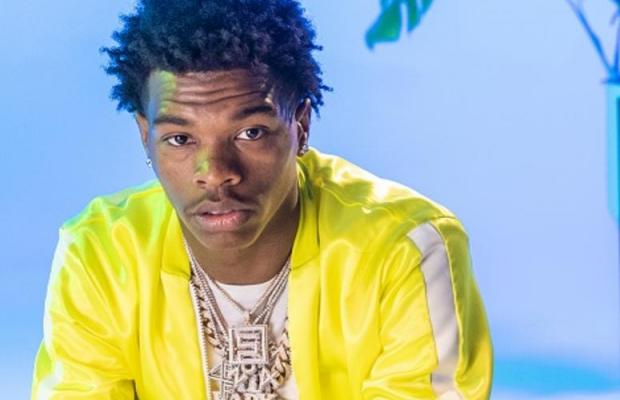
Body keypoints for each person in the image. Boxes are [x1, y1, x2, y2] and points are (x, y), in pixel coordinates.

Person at [31, 0, 493, 399]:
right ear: (144, 136)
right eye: (180, 139)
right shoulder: (102, 254)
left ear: (301, 126)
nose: (216, 173)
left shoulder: (404, 248)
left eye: (250, 132)